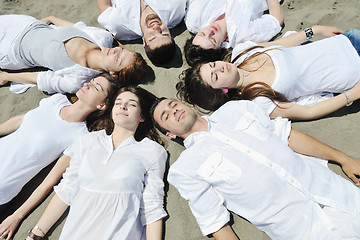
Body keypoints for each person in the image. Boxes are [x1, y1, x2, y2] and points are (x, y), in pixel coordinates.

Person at [151, 97, 360, 239]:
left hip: (337, 193)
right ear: (170, 134)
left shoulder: (235, 110)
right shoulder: (186, 169)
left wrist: (342, 158)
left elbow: (286, 136)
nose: (173, 110)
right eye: (165, 116)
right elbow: (215, 222)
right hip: (304, 230)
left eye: (172, 104)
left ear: (185, 104)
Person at [25, 87, 167, 240]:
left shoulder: (151, 151)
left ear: (142, 117)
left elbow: (152, 207)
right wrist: (35, 235)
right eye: (118, 102)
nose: (123, 106)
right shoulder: (88, 141)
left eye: (132, 104)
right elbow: (67, 189)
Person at [0, 73, 121, 240]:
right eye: (91, 81)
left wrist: (16, 216)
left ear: (102, 105)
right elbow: (19, 121)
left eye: (96, 87)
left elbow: (49, 182)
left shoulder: (80, 137)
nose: (87, 84)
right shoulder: (56, 100)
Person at [178, 26, 360, 120]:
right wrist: (351, 95)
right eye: (215, 76)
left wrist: (316, 30)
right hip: (354, 74)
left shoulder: (242, 51)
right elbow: (308, 112)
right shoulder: (259, 101)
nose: (219, 67)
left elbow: (284, 43)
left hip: (346, 40)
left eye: (212, 65)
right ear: (221, 90)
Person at [0, 15, 150, 94]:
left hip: (10, 52)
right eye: (122, 50)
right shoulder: (103, 37)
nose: (115, 51)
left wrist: (6, 77)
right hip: (23, 24)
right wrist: (50, 19)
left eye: (118, 59)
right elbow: (77, 27)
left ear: (113, 73)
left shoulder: (77, 79)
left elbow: (42, 79)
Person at [184, 0, 284, 66]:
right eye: (213, 40)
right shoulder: (243, 34)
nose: (210, 31)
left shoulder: (194, 19)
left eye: (202, 34)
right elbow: (276, 20)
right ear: (220, 48)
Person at [97, 0, 186, 65]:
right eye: (164, 33)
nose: (156, 27)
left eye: (152, 37)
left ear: (144, 41)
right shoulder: (175, 8)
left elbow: (104, 5)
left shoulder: (118, 24)